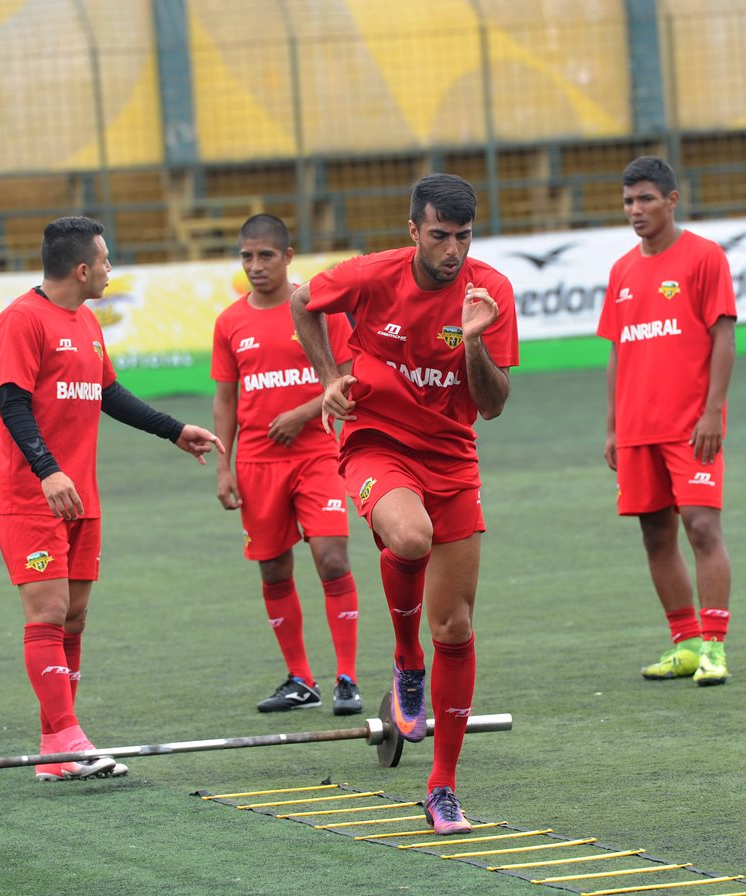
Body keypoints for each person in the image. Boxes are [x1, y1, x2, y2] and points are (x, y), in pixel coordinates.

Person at [291, 174, 519, 835]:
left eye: (464, 237)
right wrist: (329, 377)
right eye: (440, 236)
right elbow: (303, 303)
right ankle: (404, 659)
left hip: (452, 458)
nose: (453, 251)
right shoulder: (371, 274)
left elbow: (493, 406)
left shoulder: (490, 292)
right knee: (411, 536)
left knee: (456, 628)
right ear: (414, 230)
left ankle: (442, 787)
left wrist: (473, 339)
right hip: (376, 442)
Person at [0, 216, 223, 782]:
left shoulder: (87, 320)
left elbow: (107, 393)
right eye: (106, 260)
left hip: (81, 496)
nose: (111, 269)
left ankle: (55, 751)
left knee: (73, 617)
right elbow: (12, 403)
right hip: (31, 494)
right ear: (82, 269)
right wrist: (47, 471)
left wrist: (173, 430)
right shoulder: (20, 320)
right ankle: (71, 737)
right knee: (47, 613)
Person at [211, 214, 363, 716]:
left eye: (266, 256)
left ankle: (347, 678)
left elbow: (349, 378)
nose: (255, 266)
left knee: (332, 559)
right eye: (246, 257)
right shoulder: (229, 322)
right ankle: (301, 679)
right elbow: (226, 400)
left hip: (317, 453)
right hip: (257, 462)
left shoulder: (318, 309)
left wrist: (302, 414)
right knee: (274, 568)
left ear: (288, 257)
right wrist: (224, 467)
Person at [597, 155, 737, 686]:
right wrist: (613, 427)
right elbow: (617, 351)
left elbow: (724, 336)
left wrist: (712, 411)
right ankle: (686, 644)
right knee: (655, 535)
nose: (635, 210)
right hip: (637, 428)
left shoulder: (704, 256)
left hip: (691, 426)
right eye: (628, 201)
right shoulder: (621, 270)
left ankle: (715, 647)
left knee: (701, 527)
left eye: (646, 199)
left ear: (671, 201)